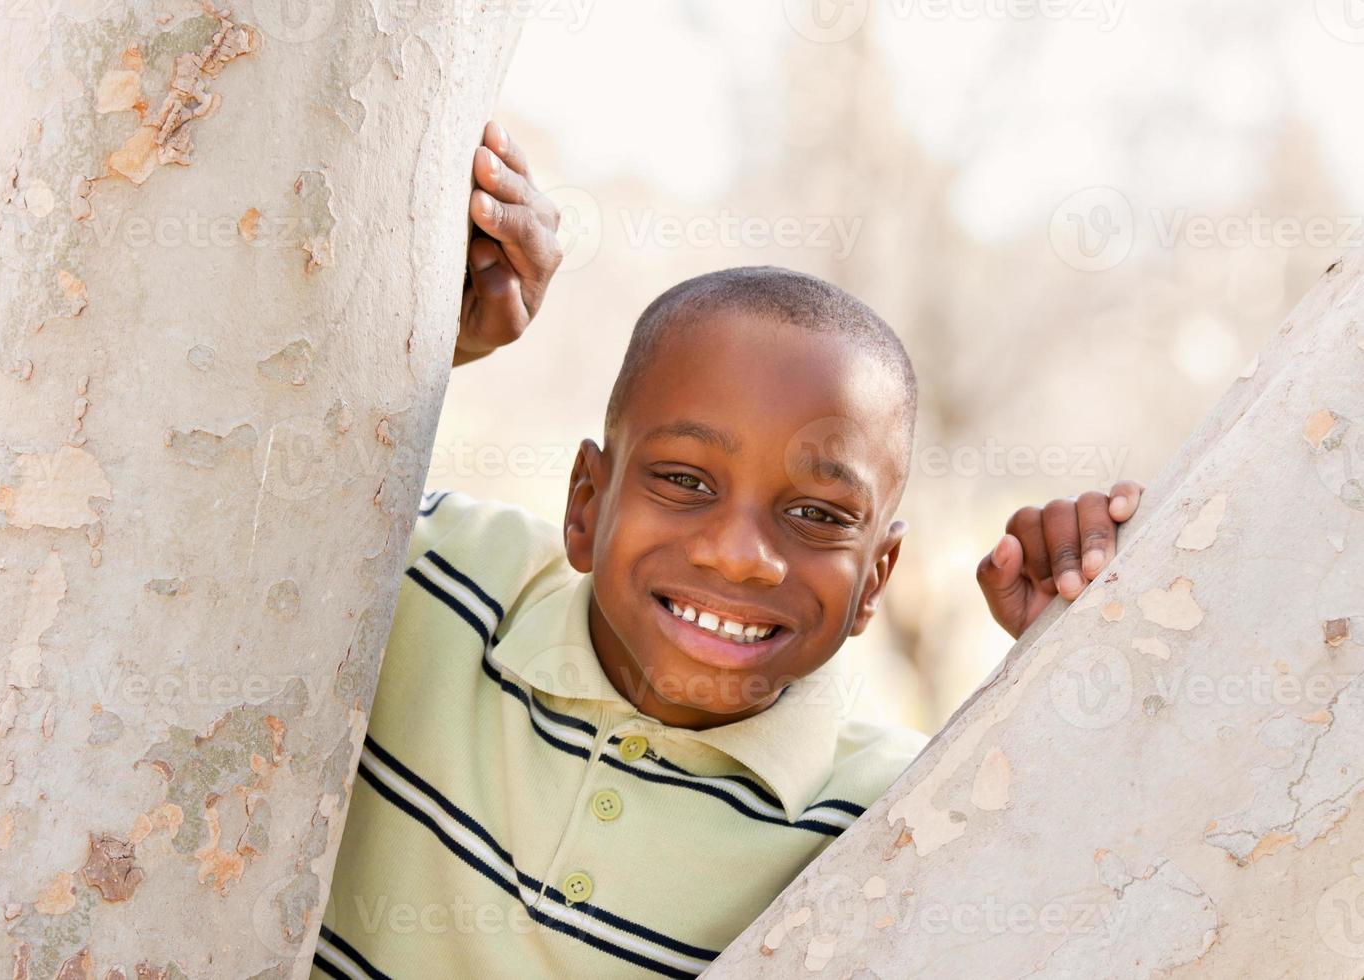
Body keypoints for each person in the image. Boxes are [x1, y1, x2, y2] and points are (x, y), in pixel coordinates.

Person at [310, 123, 1144, 979]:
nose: (743, 556)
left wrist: (1075, 674)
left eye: (819, 513)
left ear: (874, 584)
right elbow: (260, 499)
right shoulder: (429, 571)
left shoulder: (893, 819)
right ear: (586, 505)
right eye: (685, 481)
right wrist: (442, 337)